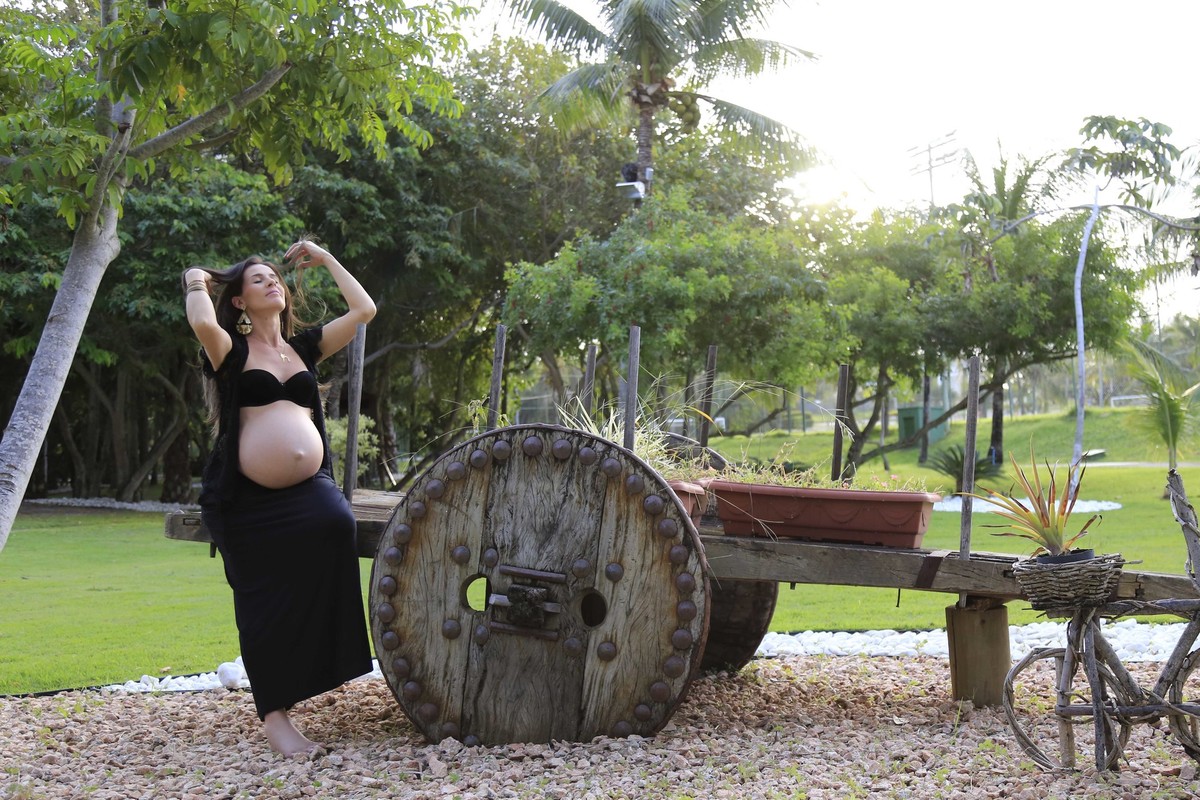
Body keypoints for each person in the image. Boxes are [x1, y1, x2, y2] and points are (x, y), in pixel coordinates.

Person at [182, 240, 376, 756]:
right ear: (240, 302)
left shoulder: (305, 348)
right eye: (258, 280)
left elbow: (364, 310)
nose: (273, 283)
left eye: (276, 277)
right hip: (250, 503)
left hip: (309, 491)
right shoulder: (233, 351)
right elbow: (203, 324)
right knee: (261, 603)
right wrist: (195, 279)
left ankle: (319, 663)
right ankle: (275, 717)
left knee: (339, 524)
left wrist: (330, 258)